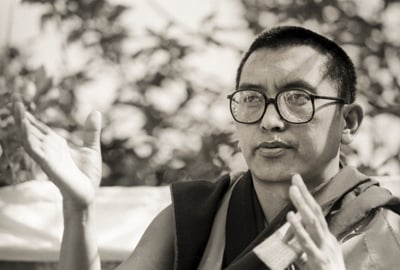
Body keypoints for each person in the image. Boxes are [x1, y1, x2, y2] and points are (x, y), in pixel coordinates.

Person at [12, 26, 400, 270]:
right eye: (251, 98)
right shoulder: (198, 217)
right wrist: (78, 210)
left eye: (297, 98)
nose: (269, 120)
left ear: (348, 122)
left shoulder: (387, 232)